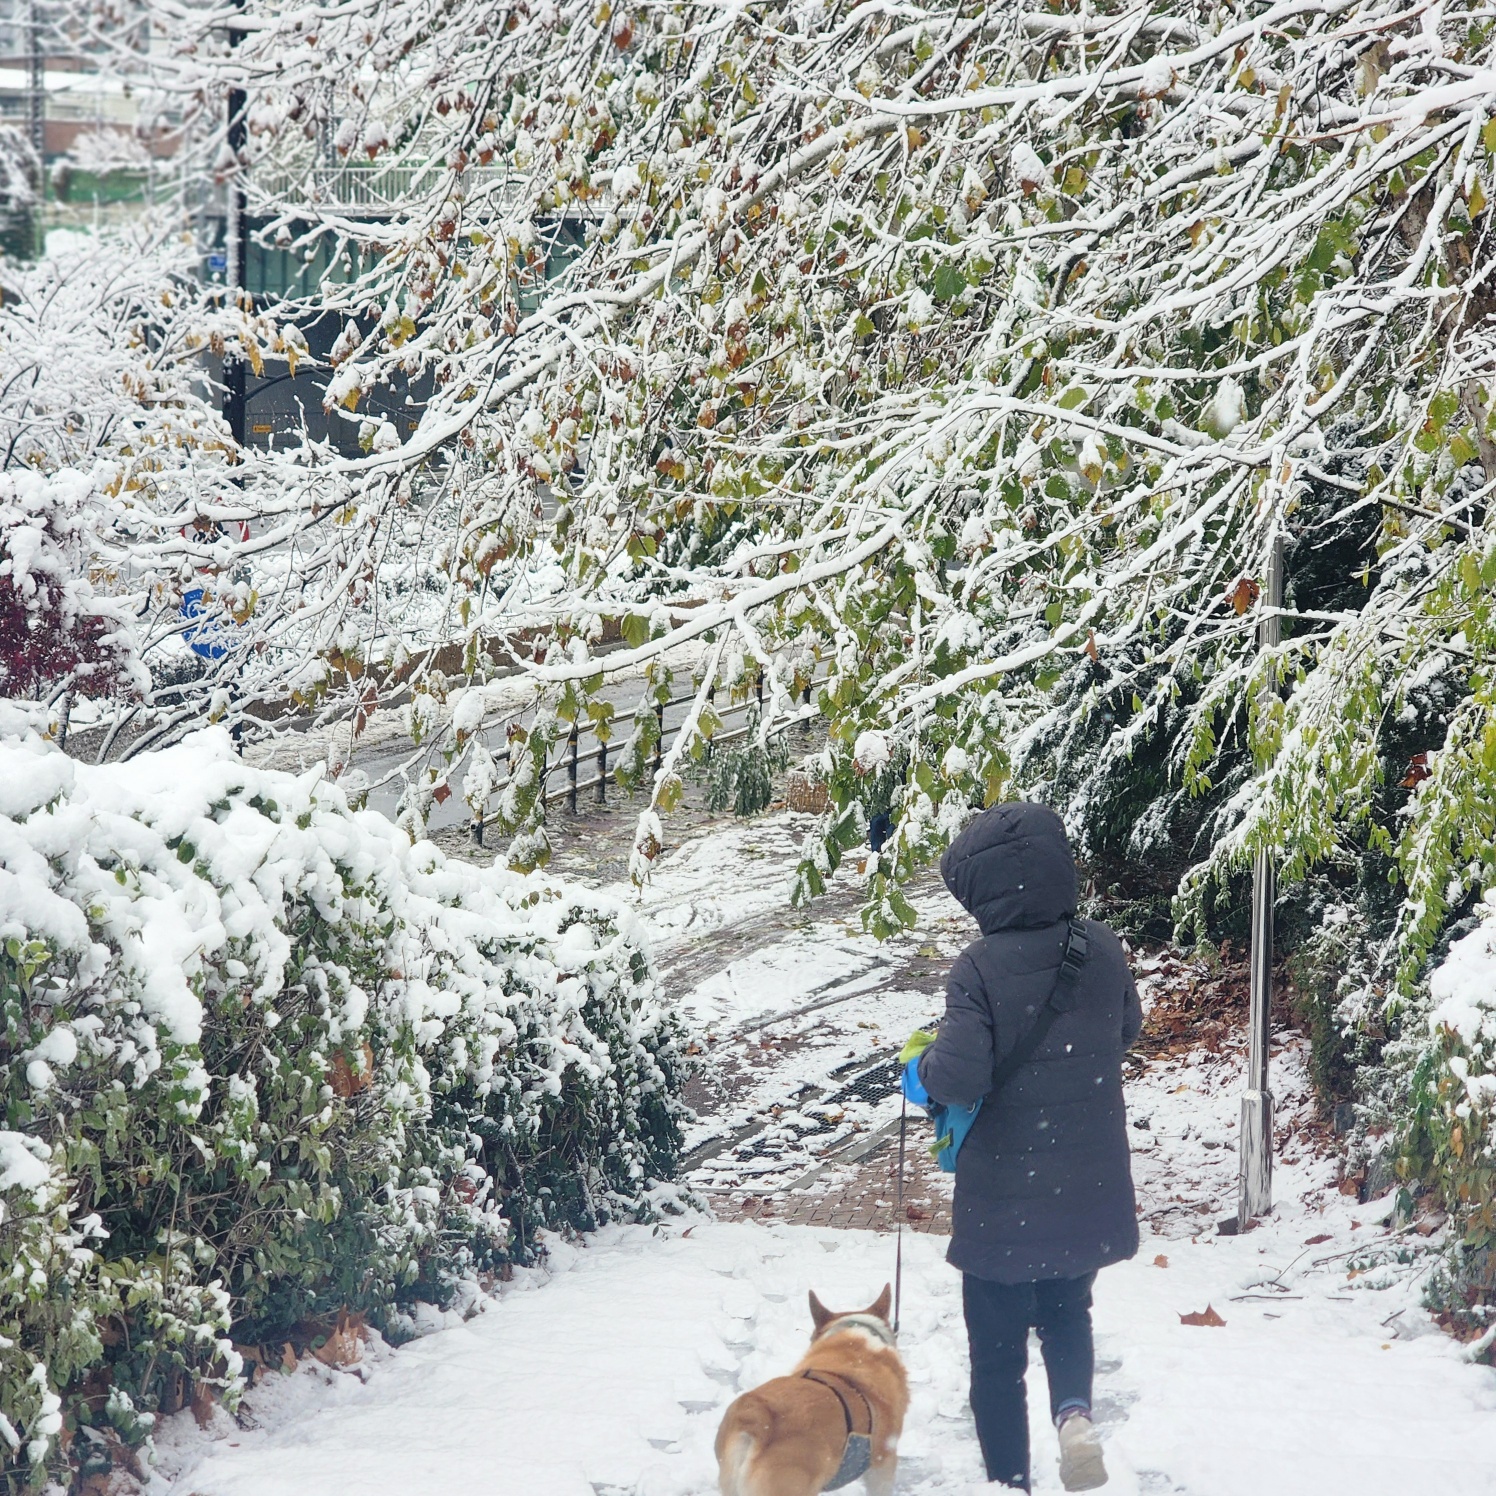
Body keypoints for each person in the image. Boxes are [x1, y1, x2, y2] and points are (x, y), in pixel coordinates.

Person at [908, 801, 1140, 1493]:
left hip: (1002, 1195)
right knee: (1068, 1312)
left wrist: (919, 1067)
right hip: (1085, 1180)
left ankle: (1009, 1483)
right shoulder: (1100, 947)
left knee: (997, 1356)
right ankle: (1075, 1418)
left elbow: (960, 1075)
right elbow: (1125, 1030)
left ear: (981, 891)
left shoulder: (977, 969)